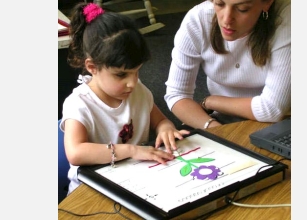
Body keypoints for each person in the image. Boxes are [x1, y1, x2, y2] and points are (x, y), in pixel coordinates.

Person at [59, 2, 190, 195]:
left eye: (137, 71)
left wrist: (166, 129)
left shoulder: (136, 91)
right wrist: (131, 150)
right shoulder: (78, 104)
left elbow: (160, 120)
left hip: (137, 180)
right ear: (92, 67)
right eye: (121, 75)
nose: (132, 82)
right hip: (92, 191)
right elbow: (76, 153)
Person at [164, 0, 291, 130]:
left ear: (267, 3)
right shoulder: (198, 19)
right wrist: (216, 129)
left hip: (284, 121)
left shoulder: (288, 18)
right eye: (219, 4)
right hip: (223, 117)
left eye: (242, 9)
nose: (227, 20)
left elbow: (272, 109)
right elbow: (177, 94)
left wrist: (211, 102)